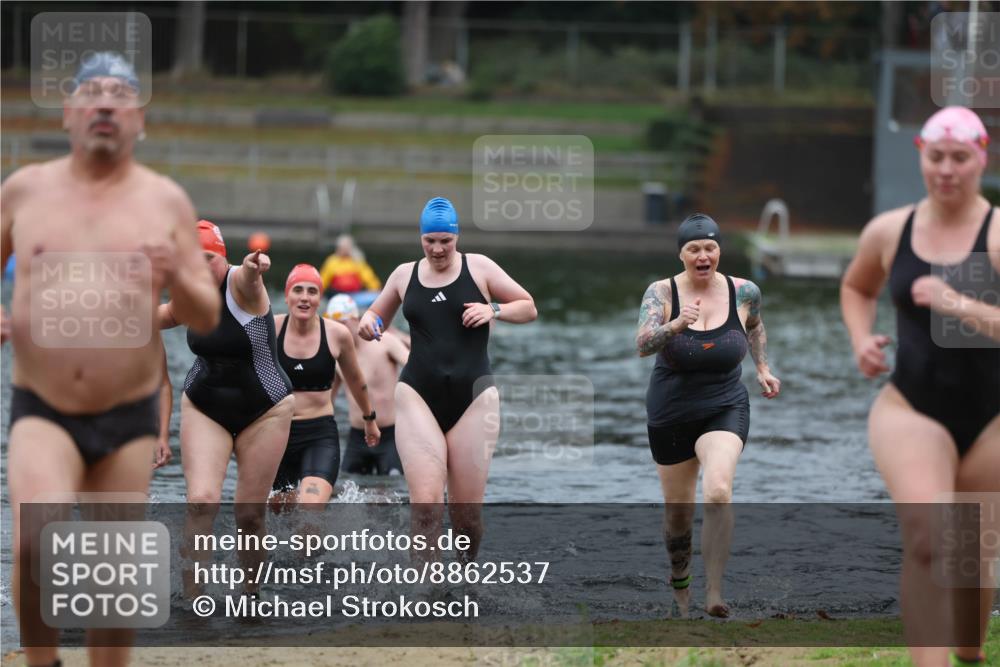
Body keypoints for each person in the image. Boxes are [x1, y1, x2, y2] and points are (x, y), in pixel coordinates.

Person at [0, 52, 220, 667]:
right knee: (33, 545)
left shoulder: (165, 202)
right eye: (91, 94)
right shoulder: (24, 191)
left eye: (119, 96)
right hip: (42, 407)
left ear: (138, 120)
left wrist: (176, 270)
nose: (104, 104)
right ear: (69, 112)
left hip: (127, 415)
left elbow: (203, 313)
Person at [840, 106, 999, 667]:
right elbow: (858, 287)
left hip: (992, 420)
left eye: (961, 158)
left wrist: (956, 303)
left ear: (983, 157)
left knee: (972, 552)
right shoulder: (891, 229)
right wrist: (860, 339)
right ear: (921, 158)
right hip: (911, 407)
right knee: (930, 539)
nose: (948, 170)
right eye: (937, 157)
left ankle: (970, 653)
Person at [358, 197, 536, 561]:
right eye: (430, 241)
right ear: (421, 238)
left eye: (445, 241)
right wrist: (368, 323)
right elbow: (377, 315)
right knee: (425, 505)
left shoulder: (480, 268)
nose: (438, 249)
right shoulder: (404, 274)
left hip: (474, 399)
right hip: (417, 394)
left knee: (466, 517)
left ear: (457, 237)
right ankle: (427, 597)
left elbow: (528, 306)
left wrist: (494, 310)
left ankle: (466, 581)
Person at [636, 212, 780, 618]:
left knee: (718, 491)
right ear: (681, 254)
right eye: (694, 249)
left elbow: (754, 326)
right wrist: (676, 325)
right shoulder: (661, 293)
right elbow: (643, 344)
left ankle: (714, 593)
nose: (704, 255)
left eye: (710, 247)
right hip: (672, 409)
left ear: (719, 251)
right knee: (678, 516)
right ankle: (680, 583)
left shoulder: (744, 291)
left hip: (725, 403)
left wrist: (763, 369)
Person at [159, 219, 294, 598]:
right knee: (201, 502)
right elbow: (163, 316)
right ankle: (192, 602)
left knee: (249, 514)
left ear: (223, 258)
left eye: (208, 260)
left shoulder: (240, 282)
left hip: (266, 409)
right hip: (205, 406)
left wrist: (255, 268)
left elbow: (251, 279)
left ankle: (250, 596)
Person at [270, 265, 380, 506]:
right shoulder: (270, 328)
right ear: (287, 296)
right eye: (298, 290)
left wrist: (369, 419)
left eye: (312, 291)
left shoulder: (337, 334)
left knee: (311, 509)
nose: (305, 297)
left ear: (320, 298)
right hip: (276, 434)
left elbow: (355, 380)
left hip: (318, 434)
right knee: (280, 511)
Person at [327, 294, 409, 476]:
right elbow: (328, 399)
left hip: (390, 435)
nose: (340, 330)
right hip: (357, 436)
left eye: (343, 323)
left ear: (356, 319)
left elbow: (416, 368)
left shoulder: (384, 341)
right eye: (335, 325)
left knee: (393, 488)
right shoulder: (337, 354)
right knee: (346, 489)